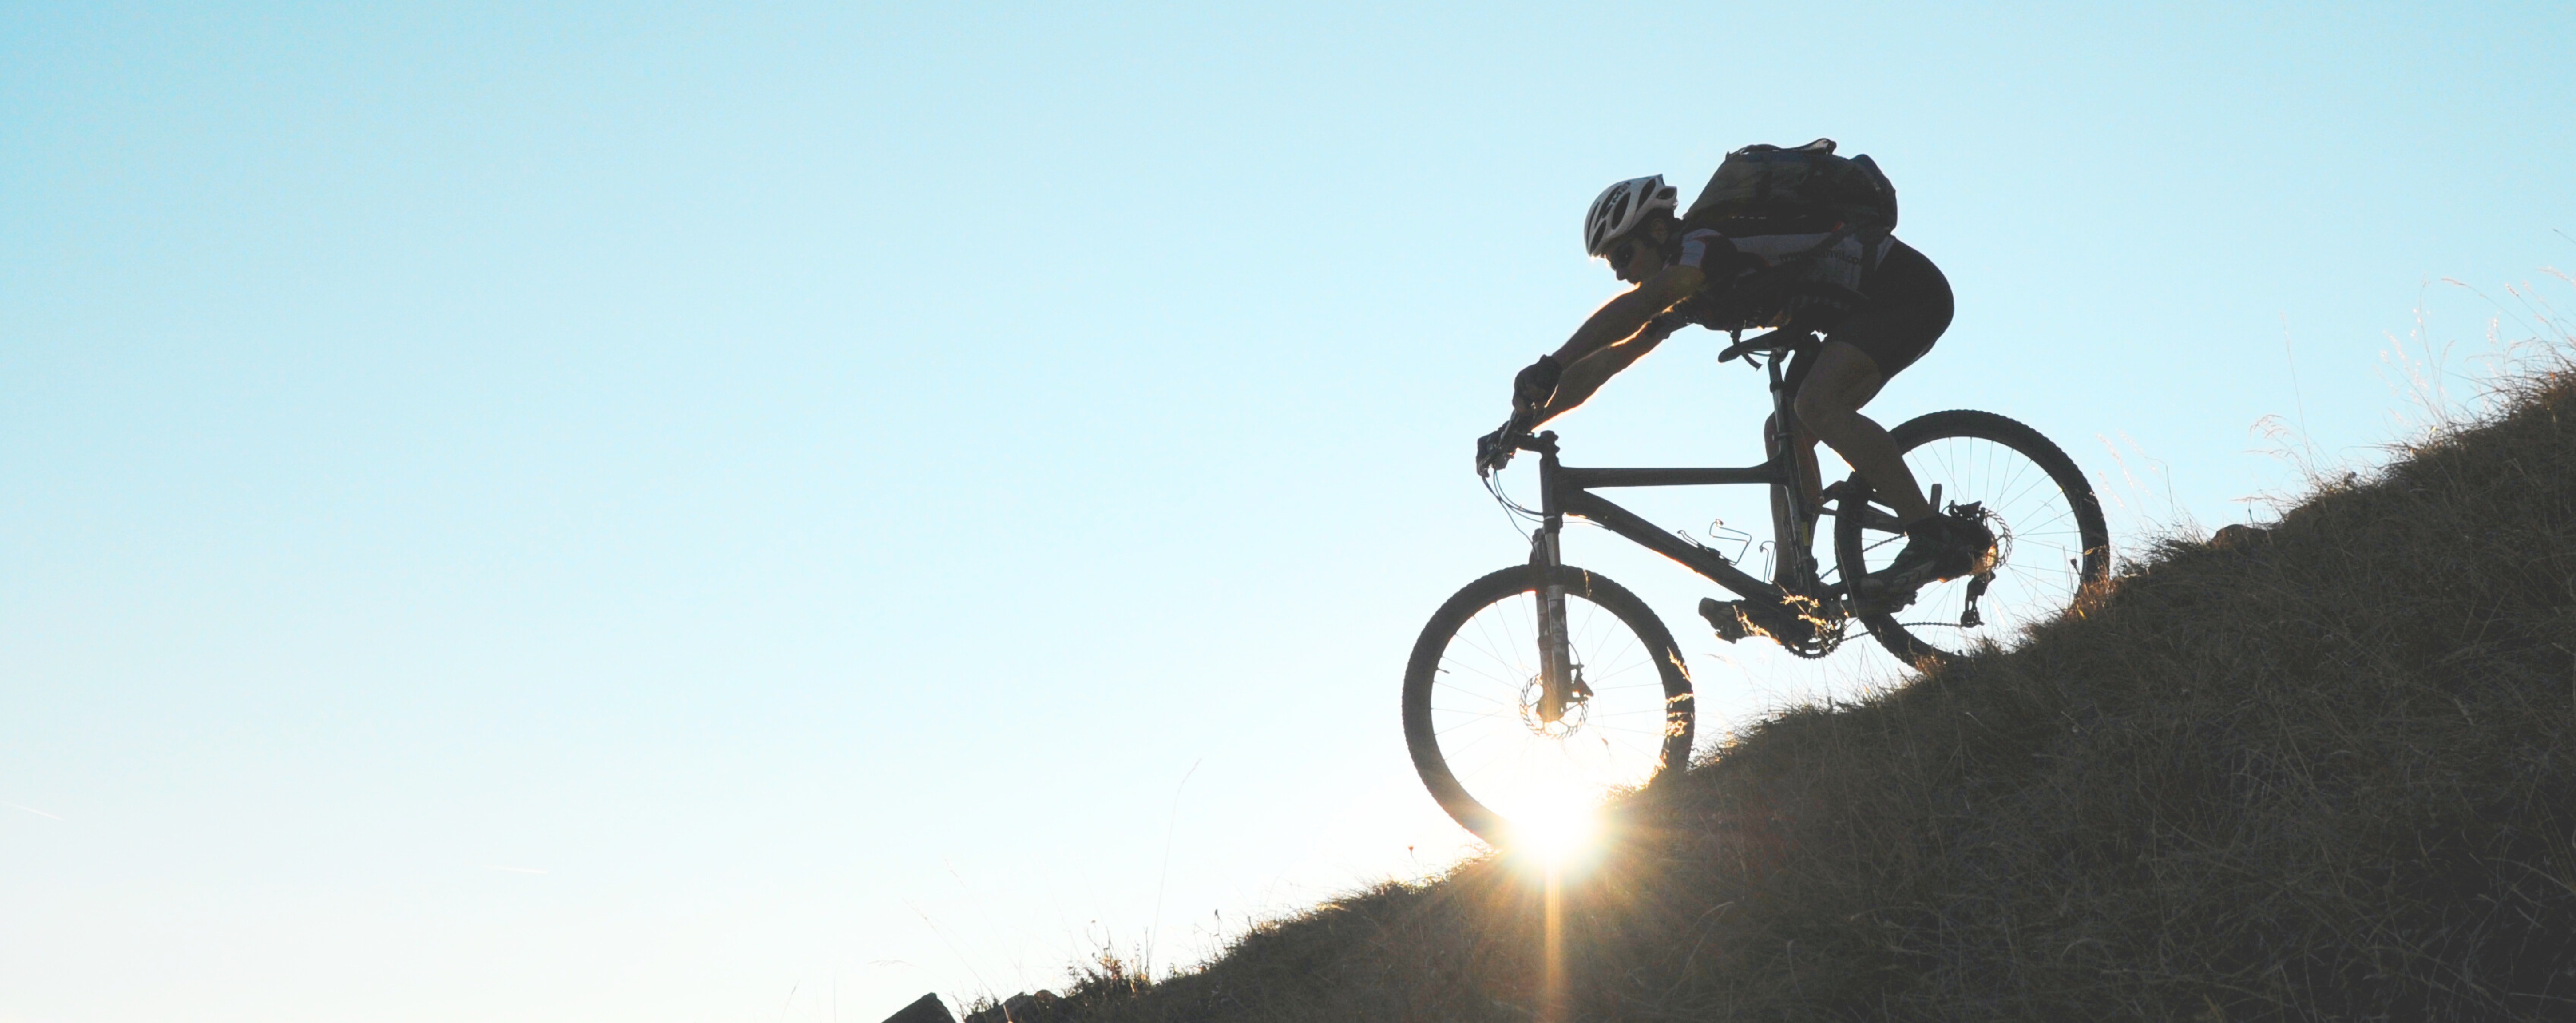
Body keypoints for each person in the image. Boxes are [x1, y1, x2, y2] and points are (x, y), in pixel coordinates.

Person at [1499, 170, 1991, 640]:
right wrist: (1521, 423)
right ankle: (1793, 587)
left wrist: (1553, 362)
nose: (1623, 273)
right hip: (1852, 313)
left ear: (1657, 229)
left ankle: (1929, 536)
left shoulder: (1703, 245)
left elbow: (1640, 307)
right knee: (1786, 430)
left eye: (1624, 254)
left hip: (1904, 291)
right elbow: (1611, 360)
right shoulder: (1686, 288)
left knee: (1816, 405)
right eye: (1613, 264)